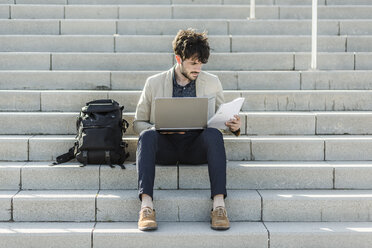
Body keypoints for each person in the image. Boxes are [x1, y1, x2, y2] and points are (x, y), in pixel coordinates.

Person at [133, 29, 241, 231]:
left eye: (201, 63)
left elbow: (221, 119)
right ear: (178, 58)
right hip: (165, 146)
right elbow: (138, 123)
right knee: (147, 136)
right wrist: (157, 128)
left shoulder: (212, 82)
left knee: (213, 134)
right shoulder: (153, 83)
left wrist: (232, 126)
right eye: (193, 63)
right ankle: (146, 207)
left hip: (195, 147)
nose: (198, 68)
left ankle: (219, 206)